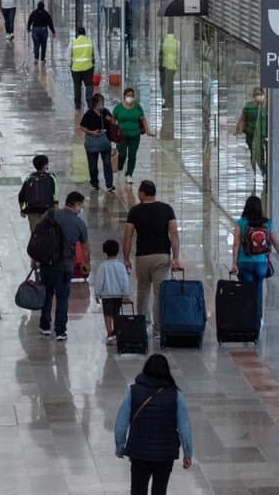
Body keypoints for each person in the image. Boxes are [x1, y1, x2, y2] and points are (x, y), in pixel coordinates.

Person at [114, 354, 194, 494]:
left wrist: (120, 446)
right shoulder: (176, 395)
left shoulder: (133, 392)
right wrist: (188, 454)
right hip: (165, 454)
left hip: (139, 452)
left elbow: (121, 423)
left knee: (138, 490)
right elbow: (184, 427)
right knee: (160, 490)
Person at [122, 180, 180, 336]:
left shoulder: (134, 211)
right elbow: (174, 233)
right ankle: (158, 329)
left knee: (143, 290)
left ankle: (142, 324)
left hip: (142, 256)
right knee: (159, 292)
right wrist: (176, 258)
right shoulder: (167, 209)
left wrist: (126, 258)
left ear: (142, 193)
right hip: (162, 256)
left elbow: (128, 236)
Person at [230, 195, 279, 330]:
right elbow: (277, 244)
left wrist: (234, 263)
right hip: (261, 264)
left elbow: (236, 245)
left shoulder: (241, 222)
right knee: (258, 291)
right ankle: (258, 320)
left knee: (246, 291)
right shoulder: (267, 223)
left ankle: (246, 320)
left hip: (244, 264)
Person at [36, 192, 90, 340]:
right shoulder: (79, 223)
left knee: (47, 294)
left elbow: (37, 234)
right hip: (65, 266)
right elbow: (85, 248)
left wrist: (34, 258)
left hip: (47, 263)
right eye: (81, 206)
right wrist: (86, 264)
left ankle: (45, 326)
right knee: (62, 297)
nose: (81, 209)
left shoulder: (50, 214)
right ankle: (60, 330)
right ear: (75, 204)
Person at [91, 240, 131, 344]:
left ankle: (109, 334)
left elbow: (99, 281)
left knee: (107, 315)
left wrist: (97, 294)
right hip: (118, 295)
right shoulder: (121, 266)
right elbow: (125, 281)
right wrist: (125, 294)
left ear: (105, 253)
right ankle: (116, 332)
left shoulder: (102, 266)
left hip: (106, 296)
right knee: (116, 314)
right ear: (118, 252)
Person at [112, 88, 154, 183]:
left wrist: (147, 130)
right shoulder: (118, 108)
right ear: (124, 96)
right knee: (122, 154)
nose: (130, 98)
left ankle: (129, 174)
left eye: (132, 96)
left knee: (132, 155)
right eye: (128, 95)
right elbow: (113, 121)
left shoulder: (138, 107)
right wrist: (113, 134)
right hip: (121, 136)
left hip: (135, 135)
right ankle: (119, 169)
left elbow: (143, 119)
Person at [79, 94, 116, 192]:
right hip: (92, 142)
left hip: (104, 142)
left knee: (107, 163)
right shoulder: (89, 114)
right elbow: (82, 126)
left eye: (103, 102)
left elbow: (113, 122)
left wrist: (111, 120)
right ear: (95, 103)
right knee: (93, 164)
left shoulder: (105, 112)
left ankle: (109, 184)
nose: (102, 104)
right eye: (100, 102)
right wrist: (92, 132)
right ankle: (94, 183)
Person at [235, 87, 268, 183]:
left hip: (264, 135)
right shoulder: (248, 107)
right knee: (256, 153)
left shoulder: (266, 107)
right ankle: (261, 170)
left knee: (263, 153)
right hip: (251, 135)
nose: (259, 96)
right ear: (253, 96)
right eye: (257, 94)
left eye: (260, 94)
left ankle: (264, 170)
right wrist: (239, 129)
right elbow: (242, 119)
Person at [18, 154, 58, 232]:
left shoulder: (29, 178)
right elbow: (55, 195)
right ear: (45, 165)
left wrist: (23, 210)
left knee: (35, 233)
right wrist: (56, 210)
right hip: (47, 211)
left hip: (32, 211)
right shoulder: (51, 177)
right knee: (47, 233)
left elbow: (21, 196)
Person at [68, 27, 95, 110]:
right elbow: (95, 55)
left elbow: (68, 56)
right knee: (89, 84)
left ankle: (77, 104)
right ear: (85, 33)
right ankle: (89, 102)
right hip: (88, 68)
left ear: (77, 34)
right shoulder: (90, 41)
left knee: (77, 86)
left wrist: (70, 65)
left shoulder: (72, 43)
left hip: (76, 69)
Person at [159, 33, 179, 108]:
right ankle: (171, 101)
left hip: (165, 66)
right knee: (170, 85)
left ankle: (166, 102)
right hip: (173, 67)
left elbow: (161, 54)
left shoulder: (164, 40)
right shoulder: (176, 41)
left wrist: (159, 65)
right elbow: (178, 55)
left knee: (164, 85)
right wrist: (177, 65)